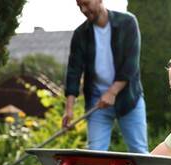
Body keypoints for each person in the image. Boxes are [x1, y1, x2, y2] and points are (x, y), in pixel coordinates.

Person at [62, 0, 148, 153]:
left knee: (139, 151)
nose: (83, 9)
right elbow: (73, 72)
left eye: (86, 3)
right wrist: (69, 109)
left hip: (129, 98)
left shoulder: (127, 22)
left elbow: (130, 65)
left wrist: (112, 92)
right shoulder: (80, 34)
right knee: (95, 153)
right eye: (79, 6)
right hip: (97, 101)